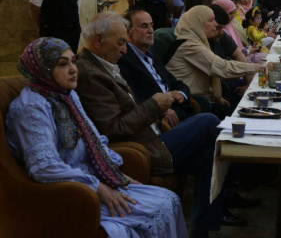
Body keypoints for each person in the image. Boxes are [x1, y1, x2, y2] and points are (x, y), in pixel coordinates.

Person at [6, 37, 187, 237]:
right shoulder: (31, 107)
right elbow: (44, 167)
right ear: (42, 70)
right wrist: (98, 187)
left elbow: (93, 138)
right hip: (70, 192)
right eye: (63, 64)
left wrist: (116, 174)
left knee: (169, 199)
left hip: (93, 179)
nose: (73, 69)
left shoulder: (67, 95)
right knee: (153, 211)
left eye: (73, 61)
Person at [74, 12, 223, 238]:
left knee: (209, 156)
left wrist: (157, 114)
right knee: (209, 121)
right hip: (141, 150)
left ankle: (201, 231)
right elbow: (113, 129)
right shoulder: (91, 74)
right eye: (120, 42)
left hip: (152, 136)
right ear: (98, 41)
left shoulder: (104, 64)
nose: (124, 50)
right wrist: (154, 106)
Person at [166, 6, 264, 119]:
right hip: (193, 104)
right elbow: (222, 68)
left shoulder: (198, 42)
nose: (215, 24)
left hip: (206, 100)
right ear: (198, 23)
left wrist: (217, 97)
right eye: (211, 20)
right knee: (246, 114)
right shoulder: (189, 46)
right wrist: (259, 68)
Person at [118, 9, 204, 120]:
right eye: (144, 26)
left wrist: (181, 93)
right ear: (128, 31)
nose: (150, 31)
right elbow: (134, 97)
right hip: (159, 118)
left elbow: (175, 82)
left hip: (178, 108)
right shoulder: (124, 59)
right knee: (210, 120)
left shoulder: (151, 55)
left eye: (151, 25)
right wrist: (160, 109)